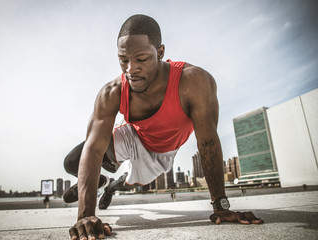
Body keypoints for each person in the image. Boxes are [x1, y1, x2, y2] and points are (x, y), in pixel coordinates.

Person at [64, 14, 264, 240]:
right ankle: (99, 181)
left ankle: (110, 187)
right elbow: (93, 149)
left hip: (161, 153)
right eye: (123, 60)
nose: (131, 69)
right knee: (72, 161)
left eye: (141, 59)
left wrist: (221, 206)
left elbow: (207, 142)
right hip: (133, 134)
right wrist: (85, 215)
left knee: (129, 183)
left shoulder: (193, 82)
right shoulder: (112, 92)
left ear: (160, 52)